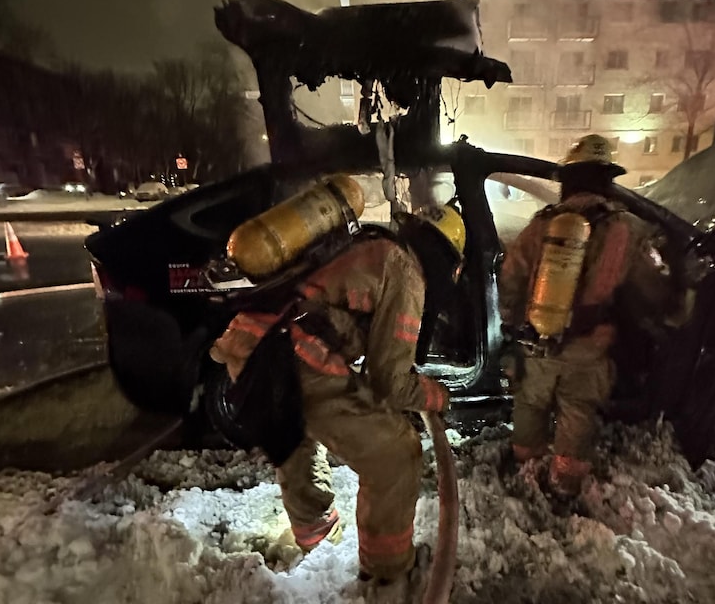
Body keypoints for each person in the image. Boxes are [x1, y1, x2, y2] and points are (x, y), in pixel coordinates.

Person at [209, 200, 466, 586]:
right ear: (445, 260)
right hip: (293, 353)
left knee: (298, 435)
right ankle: (386, 572)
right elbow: (389, 382)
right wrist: (438, 397)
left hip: (253, 340)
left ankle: (316, 539)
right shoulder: (405, 271)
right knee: (395, 454)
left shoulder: (373, 244)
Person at [498, 134, 681, 496]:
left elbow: (510, 280)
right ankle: (564, 488)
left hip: (539, 344)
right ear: (607, 181)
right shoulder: (628, 229)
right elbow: (651, 287)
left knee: (530, 407)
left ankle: (525, 474)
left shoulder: (542, 223)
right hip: (589, 349)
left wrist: (517, 323)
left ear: (568, 180)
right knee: (577, 415)